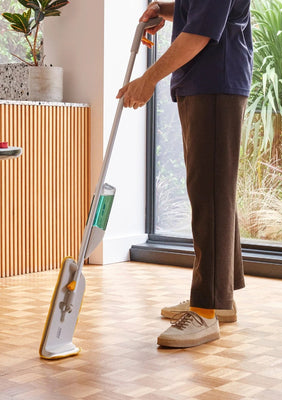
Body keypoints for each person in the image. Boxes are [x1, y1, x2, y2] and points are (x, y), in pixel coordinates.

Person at [117, 0, 253, 348]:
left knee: (210, 195)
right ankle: (219, 300)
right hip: (203, 84)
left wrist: (147, 80)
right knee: (213, 192)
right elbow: (200, 10)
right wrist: (165, 9)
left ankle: (205, 308)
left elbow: (200, 33)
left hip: (215, 84)